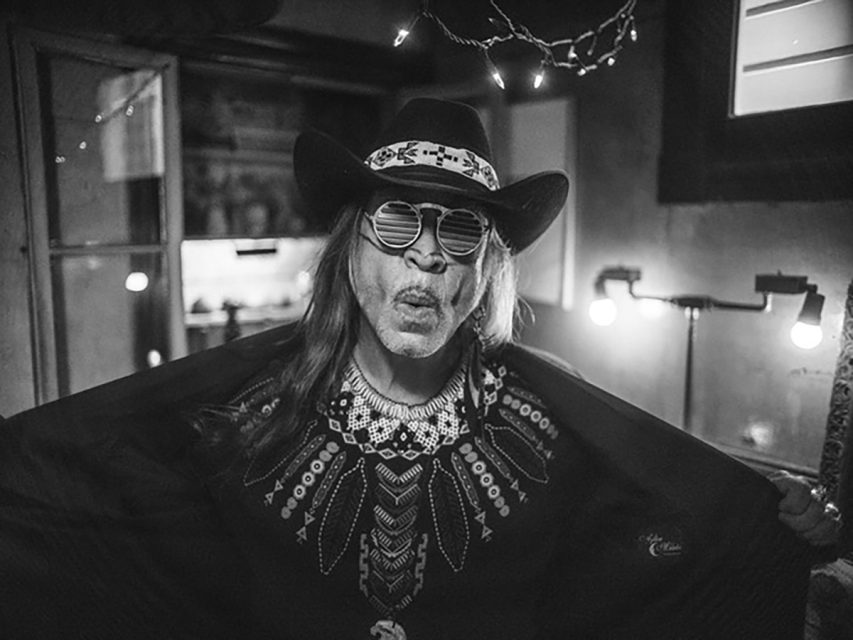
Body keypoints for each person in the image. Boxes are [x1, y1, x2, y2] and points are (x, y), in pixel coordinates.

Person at [0, 98, 841, 639]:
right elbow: (101, 508)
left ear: (484, 273)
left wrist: (771, 513)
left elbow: (660, 518)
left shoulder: (550, 419)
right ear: (350, 248)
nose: (428, 256)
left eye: (461, 232)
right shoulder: (242, 411)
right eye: (398, 222)